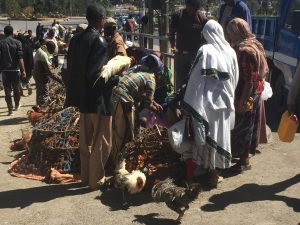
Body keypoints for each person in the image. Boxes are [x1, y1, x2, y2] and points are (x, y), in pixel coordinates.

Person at [182, 20, 239, 186]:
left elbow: (195, 79)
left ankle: (201, 173)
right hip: (226, 102)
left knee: (207, 138)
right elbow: (235, 78)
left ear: (206, 34)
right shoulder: (231, 51)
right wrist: (230, 95)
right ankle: (215, 173)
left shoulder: (205, 50)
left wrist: (190, 101)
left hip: (208, 104)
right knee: (220, 138)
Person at [66, 4, 111, 189]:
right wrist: (116, 77)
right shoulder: (99, 41)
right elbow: (97, 76)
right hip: (97, 101)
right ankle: (96, 180)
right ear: (100, 20)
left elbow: (70, 70)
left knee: (85, 142)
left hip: (82, 100)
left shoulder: (75, 40)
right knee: (102, 141)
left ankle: (85, 178)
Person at [226, 18, 269, 173]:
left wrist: (242, 101)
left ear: (237, 32)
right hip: (257, 91)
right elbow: (264, 71)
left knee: (244, 127)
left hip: (247, 93)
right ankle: (244, 157)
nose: (229, 36)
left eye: (230, 32)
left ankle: (244, 161)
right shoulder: (256, 44)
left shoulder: (245, 51)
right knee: (250, 124)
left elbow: (248, 79)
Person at [111, 54, 164, 164]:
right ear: (157, 72)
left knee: (117, 128)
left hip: (113, 94)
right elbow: (147, 104)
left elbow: (140, 92)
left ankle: (115, 157)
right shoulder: (151, 79)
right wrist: (156, 110)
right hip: (123, 98)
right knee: (123, 131)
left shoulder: (137, 69)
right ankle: (117, 162)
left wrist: (154, 103)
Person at [169, 0, 208, 90]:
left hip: (195, 55)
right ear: (187, 5)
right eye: (190, 6)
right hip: (180, 54)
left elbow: (206, 36)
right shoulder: (178, 14)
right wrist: (173, 46)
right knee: (179, 81)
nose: (192, 10)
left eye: (195, 8)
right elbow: (171, 32)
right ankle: (178, 101)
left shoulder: (202, 18)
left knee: (194, 80)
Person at [0, 25, 26, 116]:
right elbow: (20, 58)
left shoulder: (1, 43)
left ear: (5, 33)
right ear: (12, 32)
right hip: (15, 70)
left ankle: (10, 109)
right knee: (16, 89)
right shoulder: (17, 42)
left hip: (5, 70)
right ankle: (17, 105)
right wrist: (23, 70)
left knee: (7, 90)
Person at [33, 41, 62, 111]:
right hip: (42, 77)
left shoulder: (40, 50)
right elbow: (50, 72)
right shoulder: (43, 55)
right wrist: (60, 80)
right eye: (52, 50)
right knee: (45, 94)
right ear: (49, 48)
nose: (52, 52)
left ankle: (38, 107)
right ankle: (42, 110)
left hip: (37, 75)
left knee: (39, 93)